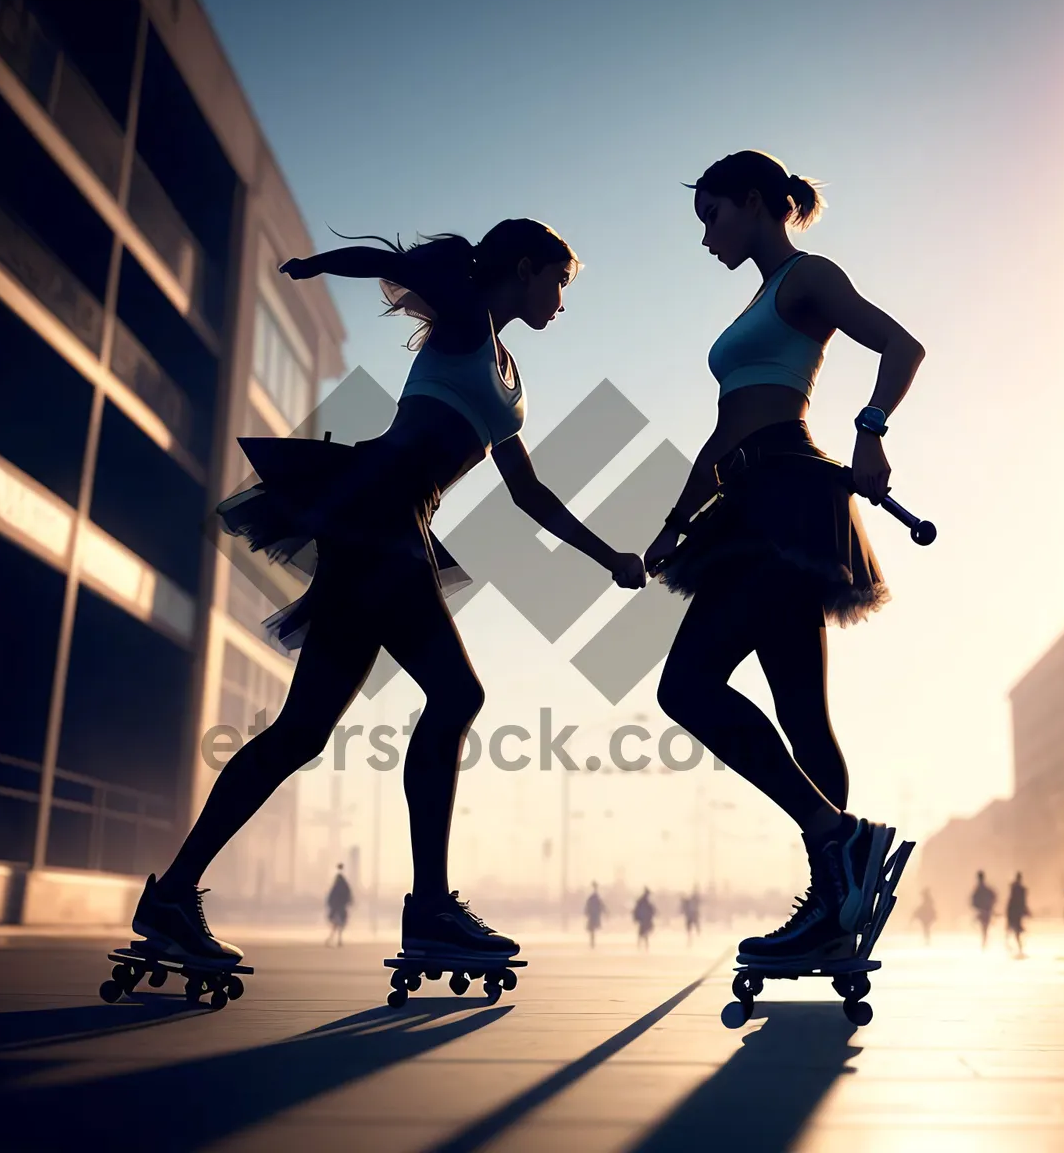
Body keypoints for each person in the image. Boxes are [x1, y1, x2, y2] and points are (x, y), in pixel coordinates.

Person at [128, 220, 646, 967]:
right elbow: (396, 264)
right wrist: (316, 264)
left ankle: (174, 893)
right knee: (456, 697)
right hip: (379, 518)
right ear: (526, 269)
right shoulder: (469, 319)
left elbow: (528, 493)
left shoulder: (506, 371)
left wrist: (607, 558)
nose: (562, 301)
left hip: (390, 529)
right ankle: (430, 907)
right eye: (559, 282)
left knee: (303, 731)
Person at [645, 150, 927, 966]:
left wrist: (870, 430)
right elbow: (725, 427)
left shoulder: (807, 278)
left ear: (759, 203)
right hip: (748, 498)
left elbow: (902, 347)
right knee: (802, 712)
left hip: (786, 497)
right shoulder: (758, 304)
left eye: (714, 215)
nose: (707, 237)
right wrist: (675, 521)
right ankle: (834, 906)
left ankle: (836, 839)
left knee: (687, 686)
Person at [325, 863, 353, 947]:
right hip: (341, 908)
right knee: (338, 925)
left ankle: (333, 940)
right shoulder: (344, 886)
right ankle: (337, 940)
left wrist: (331, 904)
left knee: (336, 925)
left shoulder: (336, 886)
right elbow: (348, 895)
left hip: (337, 908)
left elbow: (331, 896)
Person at [1006, 871, 1030, 957]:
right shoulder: (1021, 889)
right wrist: (1026, 910)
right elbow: (1023, 902)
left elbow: (1012, 900)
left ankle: (1015, 947)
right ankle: (1017, 948)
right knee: (1016, 930)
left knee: (1013, 929)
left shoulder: (1015, 888)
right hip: (1017, 911)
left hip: (1013, 911)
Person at [971, 870, 997, 949]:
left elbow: (973, 901)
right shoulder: (984, 889)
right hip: (985, 911)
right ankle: (984, 942)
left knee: (984, 927)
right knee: (984, 927)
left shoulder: (979, 889)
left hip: (983, 911)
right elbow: (993, 897)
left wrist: (979, 907)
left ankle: (984, 943)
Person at [584, 881, 607, 949]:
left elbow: (600, 905)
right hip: (594, 915)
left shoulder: (593, 897)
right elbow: (601, 905)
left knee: (592, 929)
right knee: (592, 929)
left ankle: (592, 943)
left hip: (593, 915)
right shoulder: (595, 897)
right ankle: (592, 943)